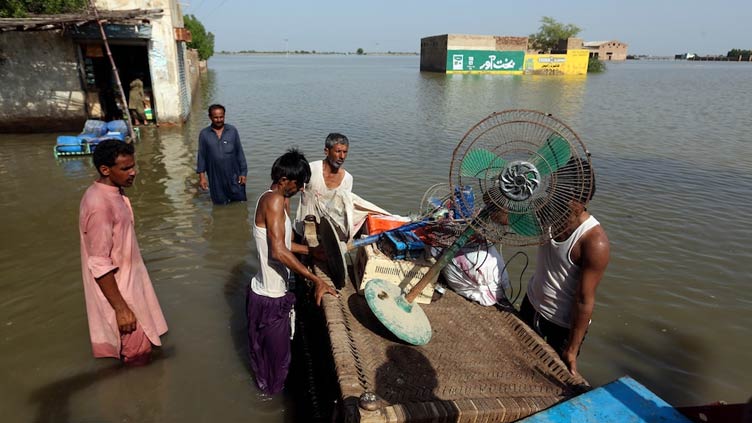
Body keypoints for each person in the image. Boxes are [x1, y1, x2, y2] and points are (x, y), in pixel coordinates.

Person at [247, 148, 338, 395]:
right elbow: (278, 251)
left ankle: (264, 397)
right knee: (277, 366)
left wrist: (311, 251)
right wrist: (315, 279)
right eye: (298, 185)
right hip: (271, 299)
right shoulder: (276, 201)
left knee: (263, 362)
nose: (299, 190)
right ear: (285, 180)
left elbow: (282, 244)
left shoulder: (268, 198)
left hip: (260, 293)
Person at [79, 139, 168, 365]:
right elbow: (98, 263)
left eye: (133, 166)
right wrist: (121, 309)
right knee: (139, 362)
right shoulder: (99, 205)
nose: (133, 172)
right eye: (126, 168)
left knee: (145, 356)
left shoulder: (114, 192)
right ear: (105, 170)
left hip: (132, 288)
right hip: (122, 297)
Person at [519, 158, 610, 377]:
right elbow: (502, 218)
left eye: (565, 199)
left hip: (561, 326)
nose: (557, 202)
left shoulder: (594, 242)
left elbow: (584, 300)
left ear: (583, 200)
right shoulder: (547, 210)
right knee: (517, 364)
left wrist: (572, 349)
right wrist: (507, 190)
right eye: (554, 193)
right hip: (531, 304)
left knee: (547, 380)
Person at [294, 132, 353, 236]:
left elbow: (343, 209)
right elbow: (288, 190)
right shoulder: (310, 169)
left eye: (345, 152)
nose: (342, 156)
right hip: (303, 230)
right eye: (338, 151)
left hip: (328, 235)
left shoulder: (347, 179)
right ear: (326, 151)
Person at [196, 104, 248, 204]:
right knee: (219, 205)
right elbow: (201, 157)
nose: (219, 120)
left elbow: (239, 153)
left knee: (240, 204)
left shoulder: (232, 131)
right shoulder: (204, 134)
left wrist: (243, 173)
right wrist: (202, 178)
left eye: (221, 117)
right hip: (215, 177)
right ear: (210, 117)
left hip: (234, 175)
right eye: (215, 117)